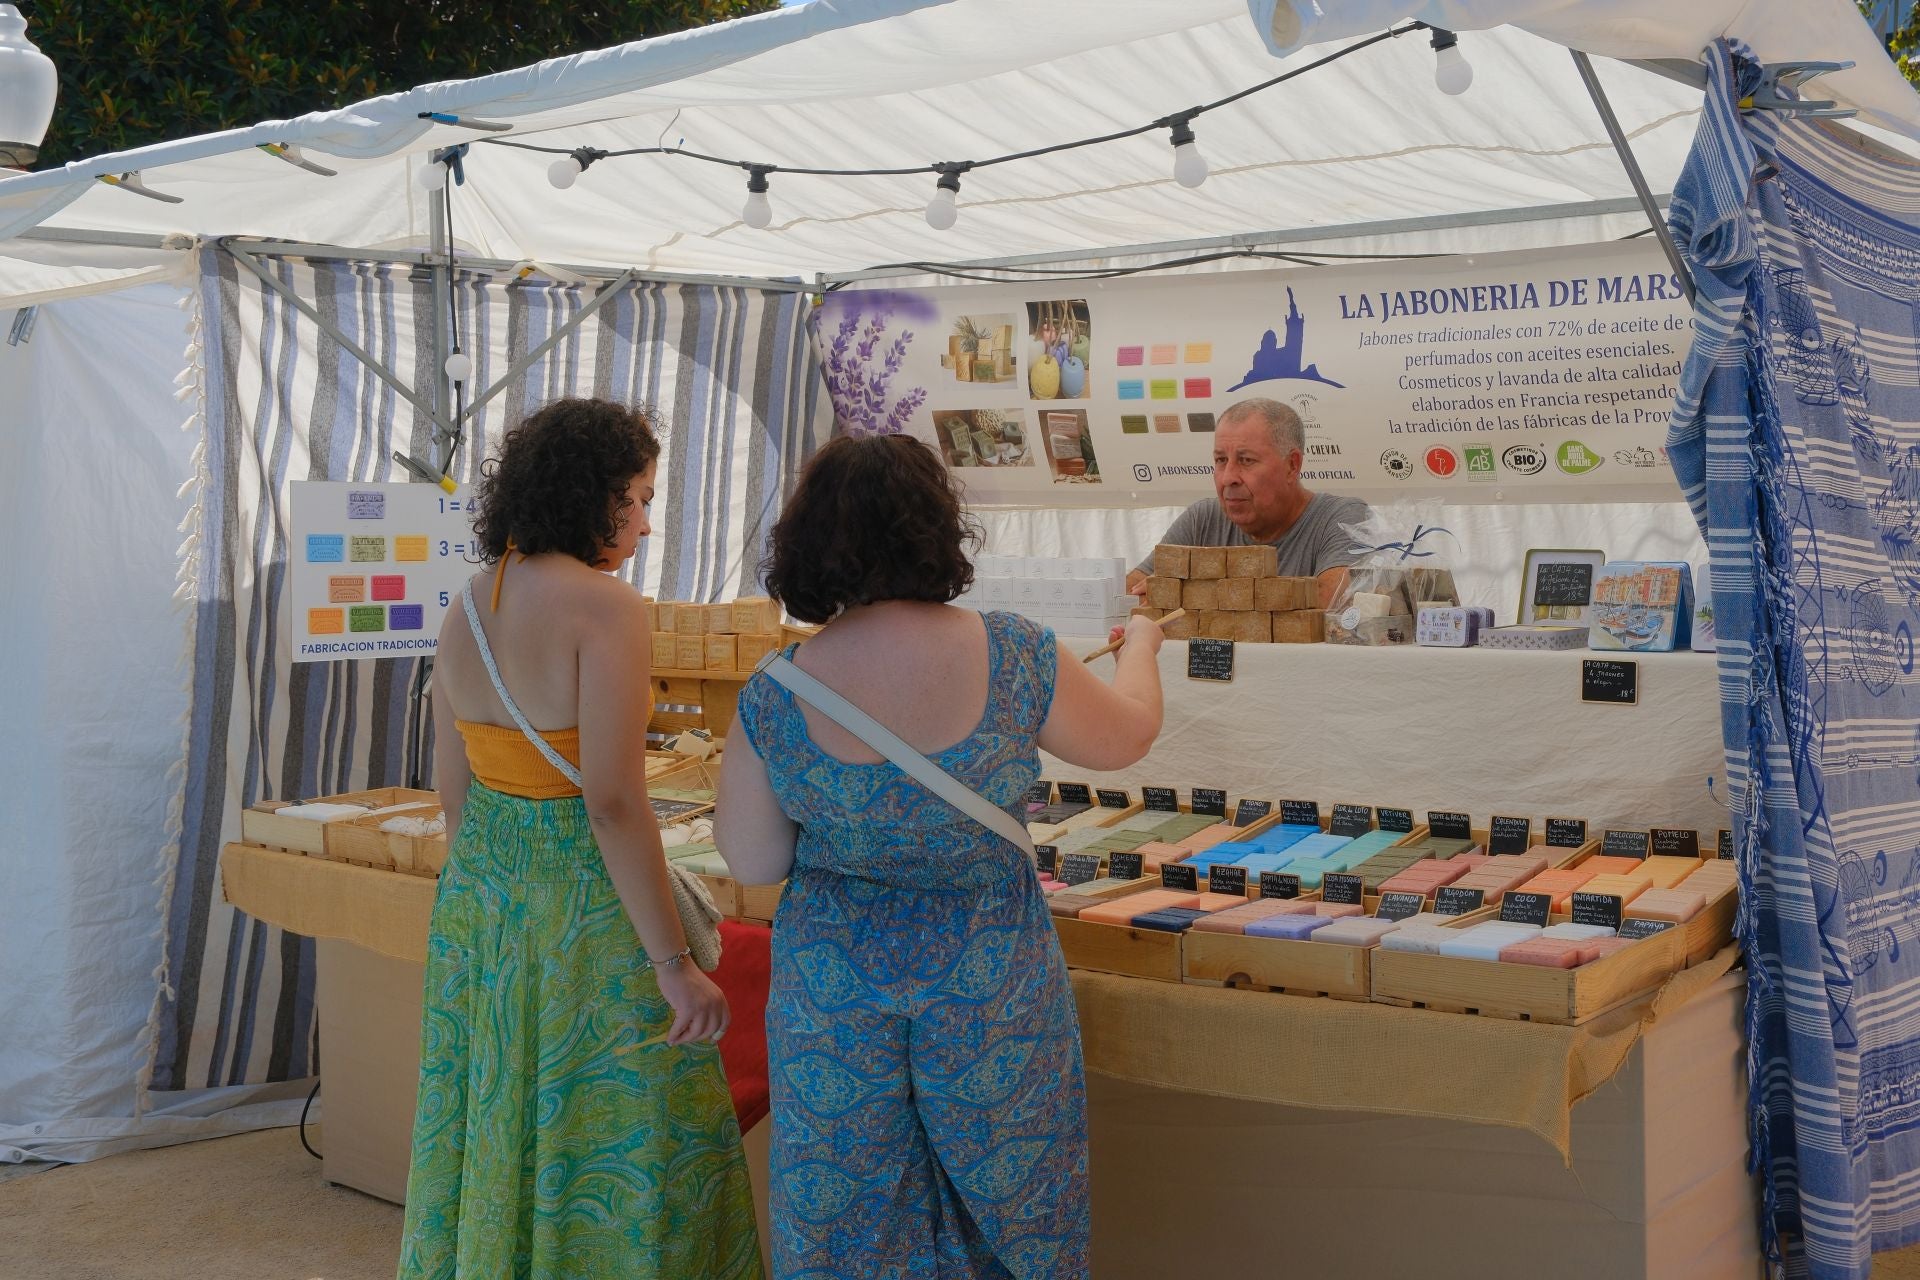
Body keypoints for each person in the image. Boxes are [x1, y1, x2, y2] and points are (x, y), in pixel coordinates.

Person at [715, 434, 1166, 1278]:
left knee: (845, 1213)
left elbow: (752, 861)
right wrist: (1140, 649)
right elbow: (1125, 737)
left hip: (834, 994)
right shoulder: (1017, 652)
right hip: (992, 982)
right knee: (1013, 1201)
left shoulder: (777, 692)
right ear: (939, 528)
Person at [399, 398, 761, 1280]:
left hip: (484, 897)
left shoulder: (468, 605)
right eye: (635, 498)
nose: (645, 520)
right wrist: (674, 963)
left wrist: (490, 886)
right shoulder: (607, 607)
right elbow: (611, 801)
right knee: (622, 1128)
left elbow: (455, 789)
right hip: (583, 911)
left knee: (499, 1120)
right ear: (586, 498)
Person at [1126, 397, 1371, 608]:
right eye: (1221, 460)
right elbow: (1130, 592)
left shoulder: (1343, 517)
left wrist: (1187, 594)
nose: (1228, 477)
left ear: (1292, 465)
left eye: (1246, 460)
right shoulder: (1203, 520)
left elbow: (1332, 601)